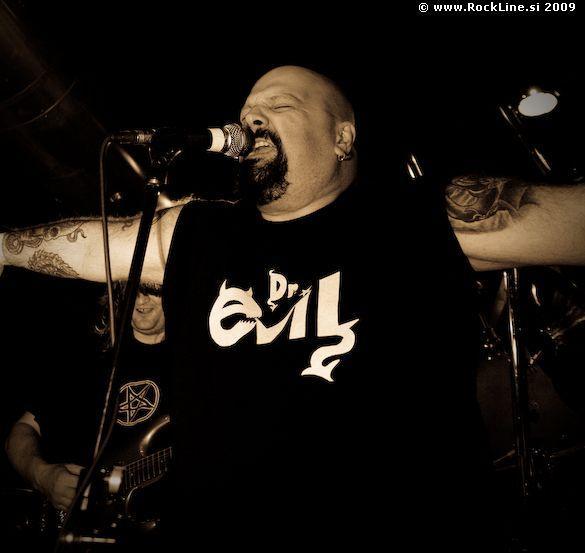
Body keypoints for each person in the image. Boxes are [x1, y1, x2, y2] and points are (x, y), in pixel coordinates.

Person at [1, 65, 584, 549]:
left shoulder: (415, 218)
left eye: (279, 105)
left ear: (342, 138)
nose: (252, 118)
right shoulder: (198, 233)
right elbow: (89, 243)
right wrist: (1, 247)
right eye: (247, 109)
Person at [5, 286, 169, 518]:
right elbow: (22, 429)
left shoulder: (192, 364)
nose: (141, 299)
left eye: (152, 289)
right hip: (73, 524)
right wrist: (43, 476)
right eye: (133, 289)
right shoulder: (90, 355)